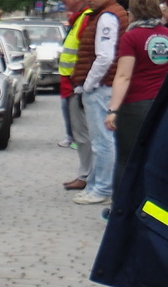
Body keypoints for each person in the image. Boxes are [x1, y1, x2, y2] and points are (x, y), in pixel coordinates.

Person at [106, 0, 166, 180]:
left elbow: (124, 75)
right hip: (162, 105)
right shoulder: (167, 34)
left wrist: (113, 110)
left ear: (135, 12)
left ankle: (121, 204)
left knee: (127, 158)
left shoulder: (131, 37)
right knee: (157, 157)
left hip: (136, 105)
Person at [77, 0, 128, 206]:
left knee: (102, 142)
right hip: (105, 85)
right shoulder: (111, 13)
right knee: (103, 141)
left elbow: (105, 56)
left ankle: (102, 188)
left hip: (101, 87)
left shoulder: (107, 16)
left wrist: (89, 83)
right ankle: (96, 185)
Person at [64, 0, 93, 189]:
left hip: (78, 83)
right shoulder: (79, 18)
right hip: (72, 83)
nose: (65, 2)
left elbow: (89, 53)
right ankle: (85, 174)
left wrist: (80, 82)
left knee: (83, 134)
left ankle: (86, 176)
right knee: (80, 134)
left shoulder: (86, 17)